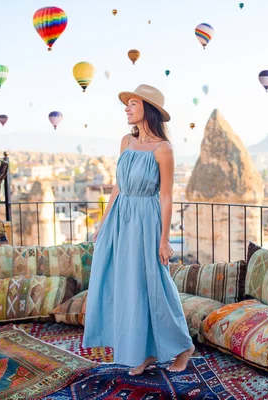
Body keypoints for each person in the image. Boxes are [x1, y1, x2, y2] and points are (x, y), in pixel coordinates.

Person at [82, 84, 195, 375]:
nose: (127, 108)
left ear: (148, 109)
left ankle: (183, 347)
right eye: (127, 103)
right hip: (122, 218)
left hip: (147, 218)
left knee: (156, 284)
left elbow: (167, 196)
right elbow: (118, 185)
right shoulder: (125, 142)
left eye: (133, 103)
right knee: (128, 284)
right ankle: (144, 353)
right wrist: (105, 221)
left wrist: (164, 238)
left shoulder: (163, 149)